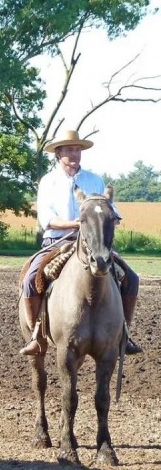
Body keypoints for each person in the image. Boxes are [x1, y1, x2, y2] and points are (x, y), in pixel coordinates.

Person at [19, 129, 141, 356]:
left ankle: (124, 334)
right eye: (69, 150)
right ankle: (36, 335)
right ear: (58, 153)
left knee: (131, 278)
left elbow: (109, 209)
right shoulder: (48, 182)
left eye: (77, 150)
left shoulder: (94, 180)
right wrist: (74, 224)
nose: (74, 154)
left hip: (94, 244)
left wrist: (111, 218)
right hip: (58, 241)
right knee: (29, 279)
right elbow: (46, 218)